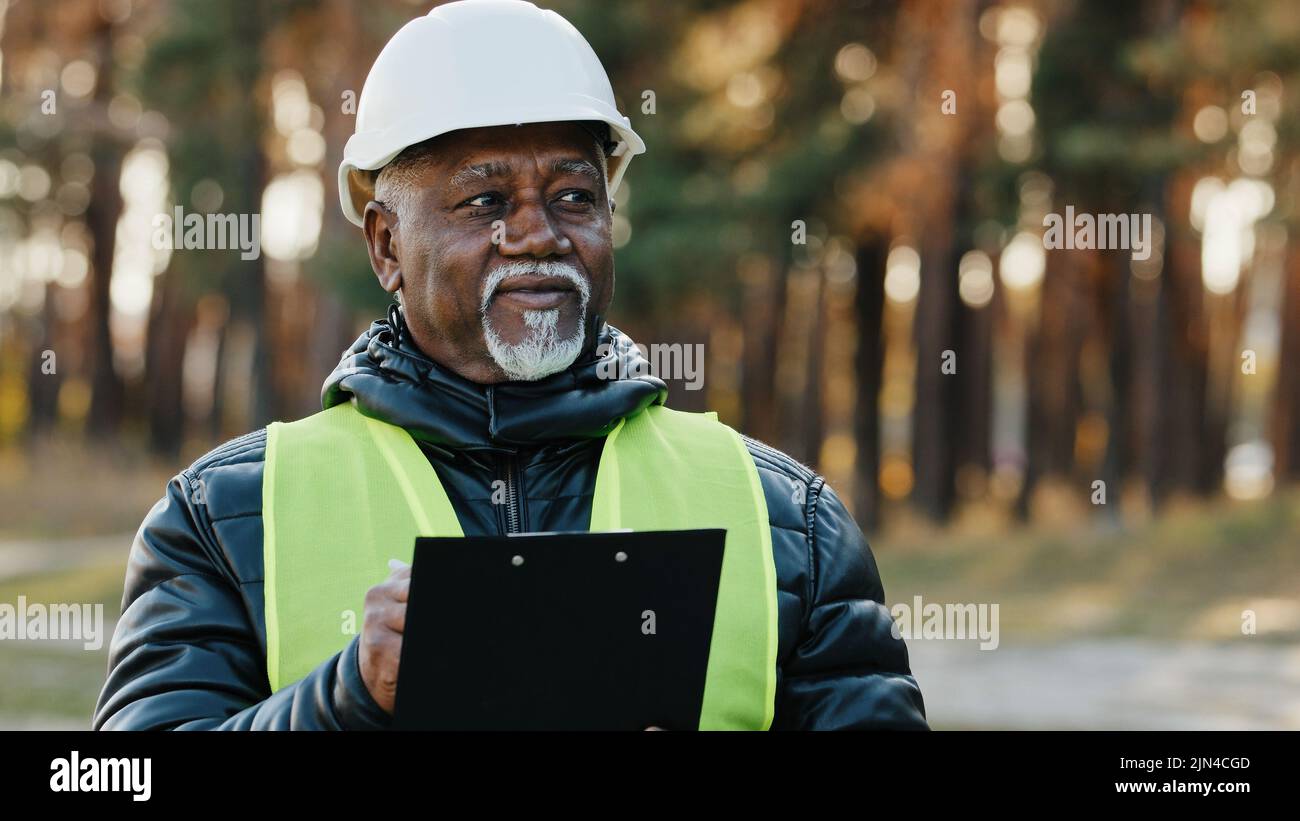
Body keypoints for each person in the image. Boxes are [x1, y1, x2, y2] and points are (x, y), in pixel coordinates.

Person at [93, 0, 927, 731]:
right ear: (386, 243)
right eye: (486, 201)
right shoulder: (227, 517)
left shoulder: (790, 520)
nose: (538, 234)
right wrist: (342, 701)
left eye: (573, 196)